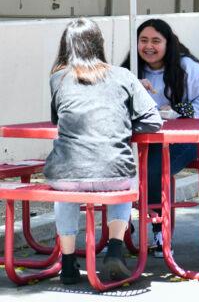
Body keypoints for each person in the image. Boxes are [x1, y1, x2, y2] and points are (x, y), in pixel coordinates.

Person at [45, 18, 162, 284]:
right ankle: (116, 249)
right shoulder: (123, 76)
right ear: (99, 44)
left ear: (67, 47)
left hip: (67, 175)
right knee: (123, 170)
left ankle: (67, 263)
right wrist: (123, 123)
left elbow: (57, 120)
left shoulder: (58, 79)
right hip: (114, 175)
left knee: (66, 183)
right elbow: (154, 121)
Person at [122, 18, 199, 258]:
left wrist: (176, 112)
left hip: (184, 140)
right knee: (114, 166)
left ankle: (159, 231)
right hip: (141, 141)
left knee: (153, 170)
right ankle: (120, 223)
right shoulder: (129, 71)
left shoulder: (187, 68)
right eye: (143, 40)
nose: (149, 46)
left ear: (168, 43)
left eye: (156, 41)